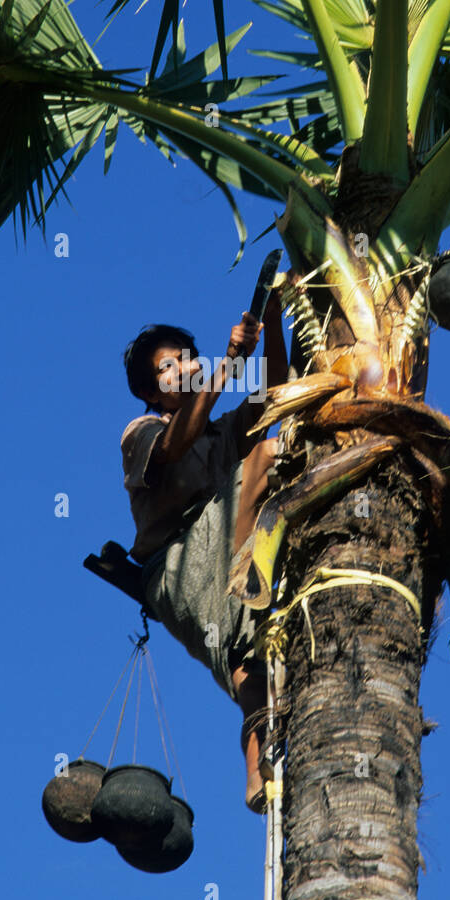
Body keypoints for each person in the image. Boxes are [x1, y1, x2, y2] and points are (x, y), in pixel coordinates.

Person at [121, 291, 289, 811]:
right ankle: (251, 573)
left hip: (222, 550)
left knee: (247, 658)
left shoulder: (219, 434)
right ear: (152, 392)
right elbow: (173, 447)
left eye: (187, 359)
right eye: (168, 368)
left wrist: (275, 320)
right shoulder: (141, 432)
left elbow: (275, 392)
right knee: (269, 453)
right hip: (176, 568)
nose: (184, 369)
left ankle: (257, 772)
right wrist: (229, 365)